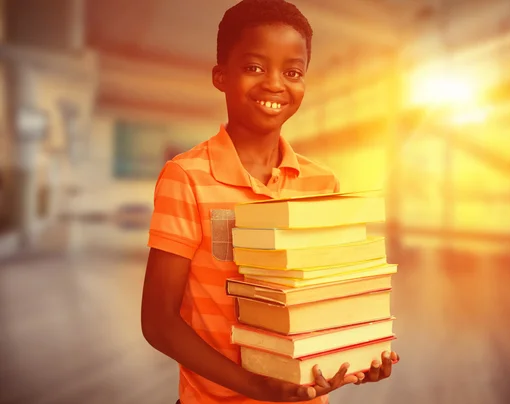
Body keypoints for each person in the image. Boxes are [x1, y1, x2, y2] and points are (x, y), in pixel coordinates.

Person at [140, 1, 399, 403]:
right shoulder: (187, 177)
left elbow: (326, 299)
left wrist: (355, 357)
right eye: (254, 67)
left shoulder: (322, 182)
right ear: (221, 76)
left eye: (292, 72)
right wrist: (257, 388)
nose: (275, 84)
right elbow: (158, 323)